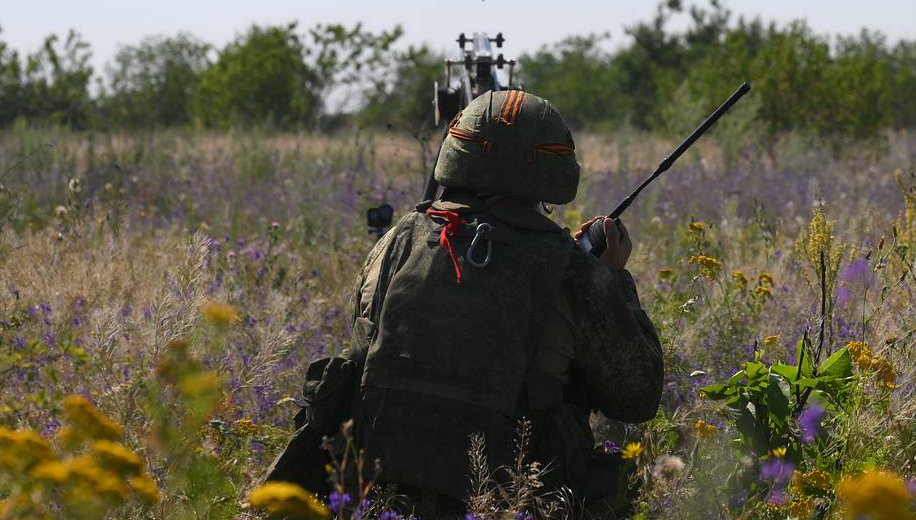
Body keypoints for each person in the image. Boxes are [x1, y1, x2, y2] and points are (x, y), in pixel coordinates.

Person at [267, 89, 663, 518]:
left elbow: (365, 350)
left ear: (457, 152)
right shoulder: (574, 273)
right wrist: (613, 279)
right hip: (509, 503)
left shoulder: (396, 242)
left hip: (380, 500)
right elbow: (637, 397)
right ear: (554, 170)